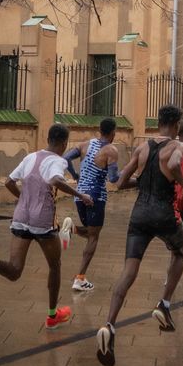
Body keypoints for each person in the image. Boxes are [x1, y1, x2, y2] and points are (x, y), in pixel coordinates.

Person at [95, 105, 183, 366]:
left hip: (139, 215)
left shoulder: (141, 148)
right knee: (180, 252)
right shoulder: (177, 146)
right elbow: (173, 165)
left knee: (129, 271)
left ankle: (109, 325)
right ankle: (164, 304)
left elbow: (119, 182)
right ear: (176, 125)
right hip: (163, 213)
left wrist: (141, 182)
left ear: (158, 123)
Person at [0, 124, 93, 330]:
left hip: (21, 216)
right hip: (43, 220)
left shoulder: (30, 157)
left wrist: (24, 199)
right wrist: (80, 195)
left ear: (47, 139)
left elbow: (9, 182)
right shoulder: (58, 161)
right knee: (55, 266)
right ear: (64, 143)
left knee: (14, 271)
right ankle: (52, 316)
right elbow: (55, 179)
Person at [63, 118, 121, 291]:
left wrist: (75, 175)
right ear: (113, 133)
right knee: (93, 236)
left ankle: (72, 229)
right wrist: (129, 172)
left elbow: (65, 158)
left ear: (99, 130)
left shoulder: (84, 145)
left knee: (91, 232)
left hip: (79, 195)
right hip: (96, 196)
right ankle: (80, 278)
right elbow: (114, 179)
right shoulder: (111, 150)